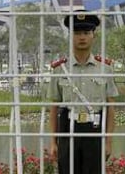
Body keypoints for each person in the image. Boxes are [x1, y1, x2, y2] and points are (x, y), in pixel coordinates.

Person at [47, 11, 119, 174]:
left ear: (94, 35)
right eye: (77, 33)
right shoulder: (60, 69)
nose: (82, 37)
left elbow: (111, 108)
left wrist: (108, 141)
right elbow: (53, 108)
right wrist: (53, 141)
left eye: (86, 33)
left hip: (94, 130)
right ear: (71, 36)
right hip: (67, 129)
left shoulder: (105, 68)